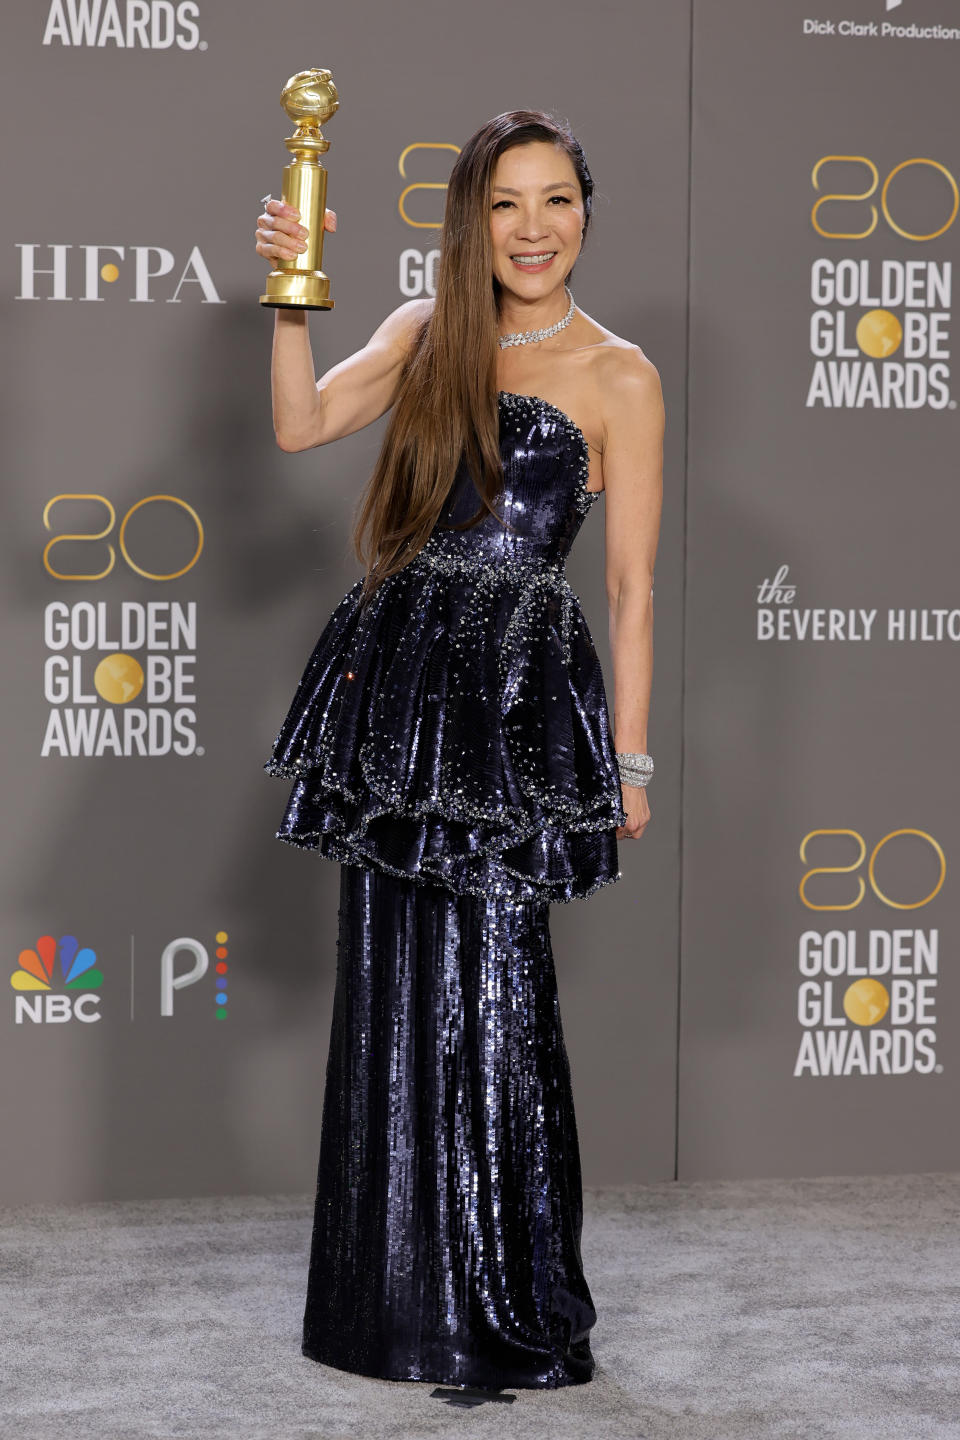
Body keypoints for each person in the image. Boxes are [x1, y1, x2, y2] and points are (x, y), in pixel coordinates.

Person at [256, 109, 663, 1391]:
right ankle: (392, 1309)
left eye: (555, 201)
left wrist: (631, 764)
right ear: (471, 220)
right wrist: (288, 296)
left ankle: (502, 1299)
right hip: (402, 680)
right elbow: (301, 426)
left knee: (491, 992)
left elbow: (637, 586)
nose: (532, 229)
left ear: (585, 212)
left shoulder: (620, 374)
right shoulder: (430, 329)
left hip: (511, 700)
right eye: (505, 205)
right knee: (392, 978)